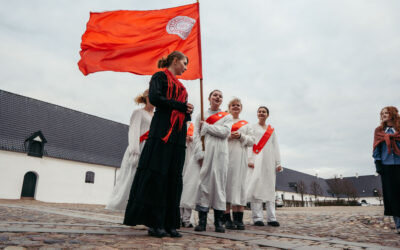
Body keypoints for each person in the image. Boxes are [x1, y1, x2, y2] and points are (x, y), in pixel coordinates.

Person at [123, 51, 194, 238]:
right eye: (185, 63)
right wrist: (179, 106)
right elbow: (155, 98)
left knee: (173, 176)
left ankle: (171, 223)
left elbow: (182, 110)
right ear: (176, 61)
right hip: (162, 131)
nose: (186, 68)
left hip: (177, 135)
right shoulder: (159, 77)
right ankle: (155, 222)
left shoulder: (182, 87)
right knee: (158, 175)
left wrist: (188, 110)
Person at [106, 90, 154, 211]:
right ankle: (130, 208)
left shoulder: (156, 116)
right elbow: (133, 132)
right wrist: (134, 152)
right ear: (147, 97)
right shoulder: (138, 113)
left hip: (151, 150)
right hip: (139, 147)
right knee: (132, 178)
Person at [194, 90, 233, 233]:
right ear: (209, 98)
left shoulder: (227, 116)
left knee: (219, 185)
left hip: (221, 154)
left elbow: (225, 132)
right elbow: (196, 136)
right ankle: (202, 222)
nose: (218, 97)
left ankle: (218, 222)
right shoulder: (201, 115)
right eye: (215, 95)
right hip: (206, 153)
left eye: (220, 96)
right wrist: (199, 153)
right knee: (204, 185)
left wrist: (208, 127)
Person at [246, 106, 283, 227]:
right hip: (256, 160)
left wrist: (278, 162)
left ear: (267, 115)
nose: (261, 113)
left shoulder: (271, 130)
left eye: (264, 112)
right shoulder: (252, 127)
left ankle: (272, 217)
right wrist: (249, 159)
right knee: (257, 188)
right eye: (259, 111)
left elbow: (275, 146)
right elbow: (250, 144)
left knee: (269, 188)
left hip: (269, 161)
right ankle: (257, 218)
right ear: (257, 114)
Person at [224, 98, 254, 230]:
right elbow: (217, 136)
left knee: (239, 186)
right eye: (233, 105)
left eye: (238, 105)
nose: (235, 107)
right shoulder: (225, 122)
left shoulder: (246, 124)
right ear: (229, 108)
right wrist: (229, 136)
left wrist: (241, 136)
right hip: (226, 157)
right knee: (226, 186)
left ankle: (239, 219)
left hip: (240, 158)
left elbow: (252, 141)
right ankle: (226, 219)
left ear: (241, 108)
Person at [372, 106, 400, 234]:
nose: (383, 115)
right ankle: (399, 225)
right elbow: (376, 148)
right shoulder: (379, 131)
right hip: (387, 167)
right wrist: (378, 164)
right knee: (392, 196)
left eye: (386, 113)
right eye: (382, 113)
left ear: (393, 114)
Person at [180, 122, 200, 228]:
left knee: (189, 188)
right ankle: (177, 217)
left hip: (190, 160)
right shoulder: (176, 123)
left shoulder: (193, 127)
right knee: (177, 188)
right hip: (179, 158)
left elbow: (198, 143)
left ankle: (186, 218)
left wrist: (191, 140)